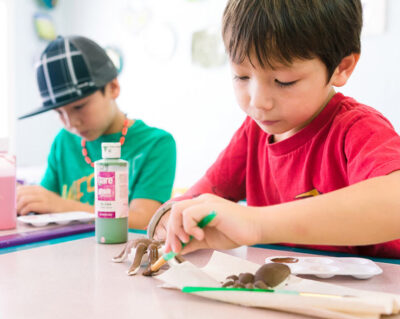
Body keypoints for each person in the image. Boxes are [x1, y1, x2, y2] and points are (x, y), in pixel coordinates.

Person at [151, 0, 400, 258]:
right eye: (242, 76)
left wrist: (256, 223)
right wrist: (171, 219)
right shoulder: (253, 133)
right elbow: (200, 197)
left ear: (341, 67)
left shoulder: (357, 128)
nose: (258, 102)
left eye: (284, 81)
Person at [17, 35, 176, 230]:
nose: (71, 122)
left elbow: (145, 221)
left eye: (79, 107)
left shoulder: (156, 143)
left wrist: (63, 206)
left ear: (113, 87)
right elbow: (43, 205)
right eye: (59, 112)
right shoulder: (64, 141)